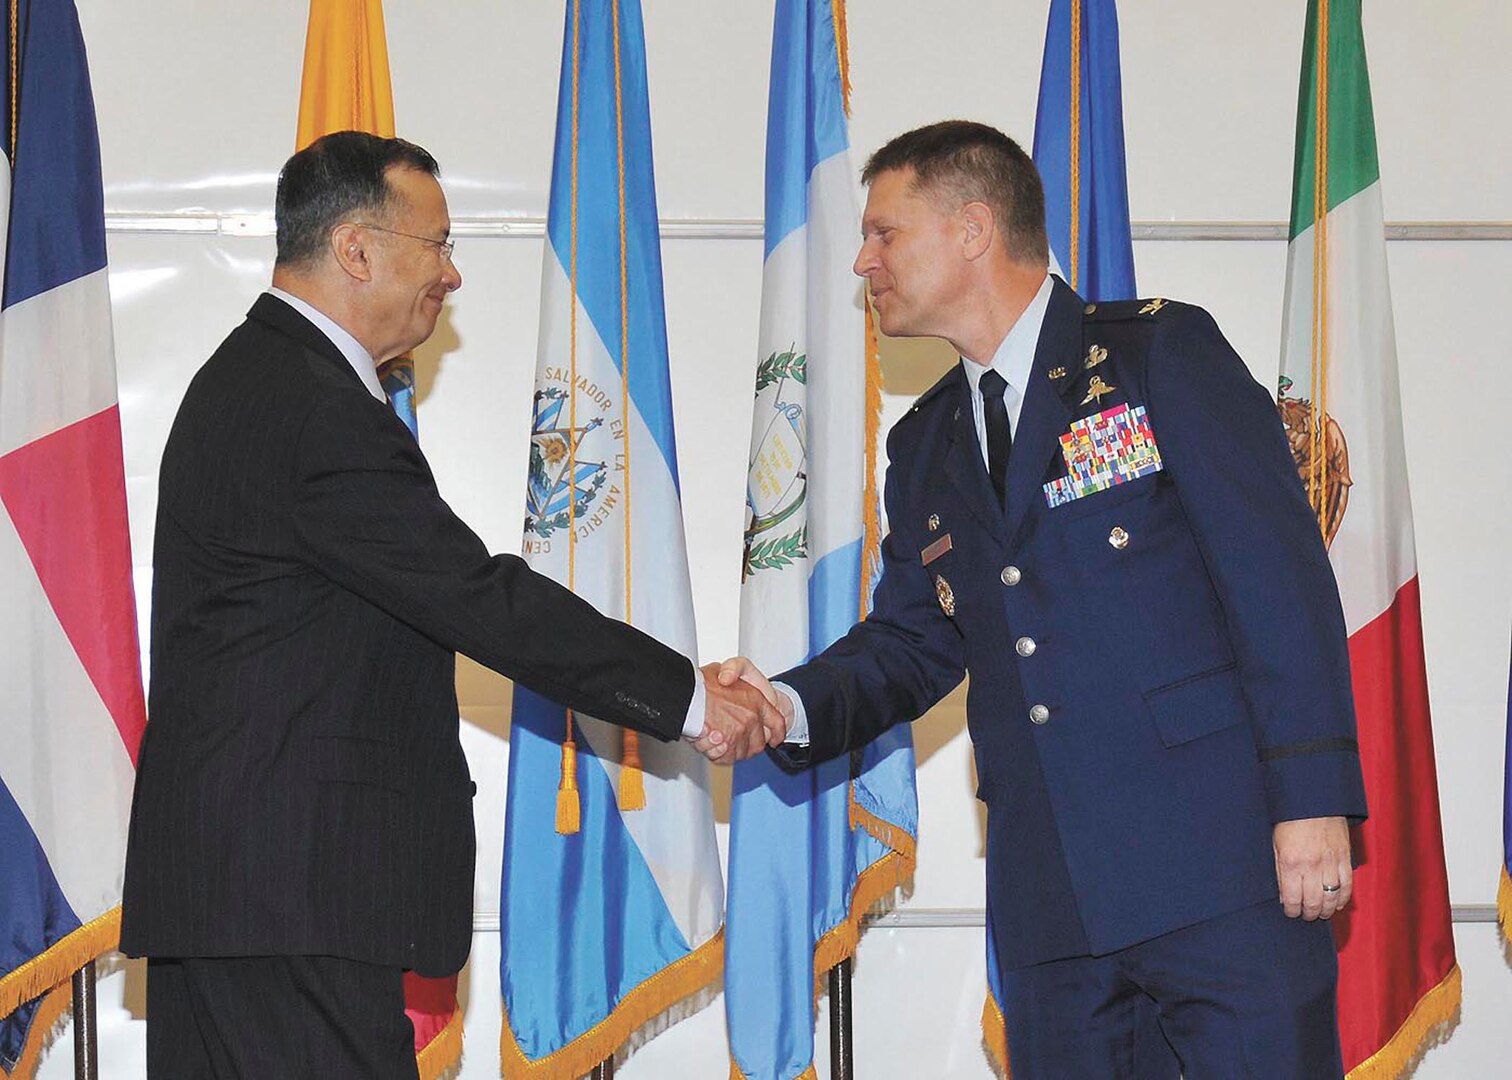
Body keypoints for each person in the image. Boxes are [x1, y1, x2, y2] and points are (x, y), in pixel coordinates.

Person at [120, 131, 782, 1079]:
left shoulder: (257, 377)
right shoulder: (309, 403)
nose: (455, 275)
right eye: (437, 245)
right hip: (291, 902)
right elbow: (477, 598)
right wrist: (685, 697)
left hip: (247, 901)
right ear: (355, 249)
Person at [722, 120, 1366, 1077]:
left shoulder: (1157, 356)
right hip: (1052, 903)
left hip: (1220, 873)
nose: (863, 261)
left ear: (974, 229)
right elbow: (915, 640)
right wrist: (786, 703)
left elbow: (1279, 581)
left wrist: (1313, 803)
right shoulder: (926, 443)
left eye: (884, 233)